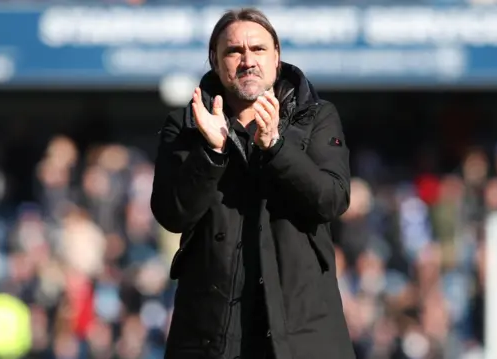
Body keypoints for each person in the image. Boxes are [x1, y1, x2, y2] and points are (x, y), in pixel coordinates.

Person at [151, 7, 355, 359]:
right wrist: (212, 152)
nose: (248, 60)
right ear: (215, 61)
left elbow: (331, 200)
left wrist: (276, 146)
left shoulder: (318, 117)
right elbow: (172, 214)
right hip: (210, 334)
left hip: (302, 334)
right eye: (234, 51)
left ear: (276, 57)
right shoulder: (184, 125)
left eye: (258, 49)